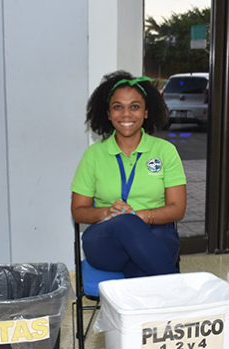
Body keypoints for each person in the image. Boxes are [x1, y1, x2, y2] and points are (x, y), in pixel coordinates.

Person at [70, 71, 187, 277]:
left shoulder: (165, 151)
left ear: (146, 112)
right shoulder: (94, 155)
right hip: (105, 241)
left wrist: (140, 216)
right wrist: (109, 213)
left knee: (140, 264)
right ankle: (180, 292)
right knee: (126, 224)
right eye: (118, 107)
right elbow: (78, 211)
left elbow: (177, 209)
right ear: (108, 113)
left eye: (134, 106)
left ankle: (138, 306)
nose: (126, 114)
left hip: (157, 233)